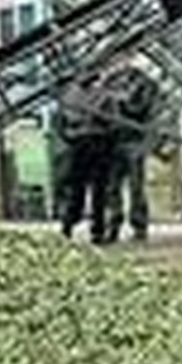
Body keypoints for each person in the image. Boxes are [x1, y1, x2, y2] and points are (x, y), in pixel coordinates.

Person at [101, 65, 161, 243]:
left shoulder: (144, 83)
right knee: (112, 187)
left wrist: (119, 102)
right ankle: (114, 224)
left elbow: (140, 109)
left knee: (136, 187)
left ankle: (139, 226)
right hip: (113, 141)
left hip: (134, 141)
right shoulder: (111, 80)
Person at [54, 75, 118, 241]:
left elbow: (114, 123)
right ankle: (69, 225)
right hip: (80, 144)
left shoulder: (105, 95)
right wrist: (70, 137)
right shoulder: (70, 95)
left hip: (97, 143)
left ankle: (96, 229)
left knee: (98, 190)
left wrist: (101, 126)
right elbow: (60, 122)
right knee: (77, 188)